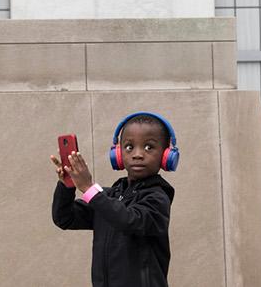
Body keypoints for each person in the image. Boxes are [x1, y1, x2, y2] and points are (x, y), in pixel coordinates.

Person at [51, 112, 179, 287]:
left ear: (166, 156)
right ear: (117, 154)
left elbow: (129, 220)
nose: (138, 154)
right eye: (129, 147)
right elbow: (64, 218)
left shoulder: (158, 198)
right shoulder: (108, 197)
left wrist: (89, 189)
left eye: (149, 147)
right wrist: (67, 185)